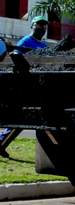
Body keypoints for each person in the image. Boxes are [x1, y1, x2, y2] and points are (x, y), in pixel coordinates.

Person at [0, 15, 48, 158]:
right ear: (32, 26)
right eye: (39, 25)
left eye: (44, 26)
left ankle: (1, 141)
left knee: (25, 119)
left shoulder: (44, 46)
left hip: (42, 85)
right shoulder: (26, 41)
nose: (42, 28)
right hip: (27, 85)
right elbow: (16, 58)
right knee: (21, 117)